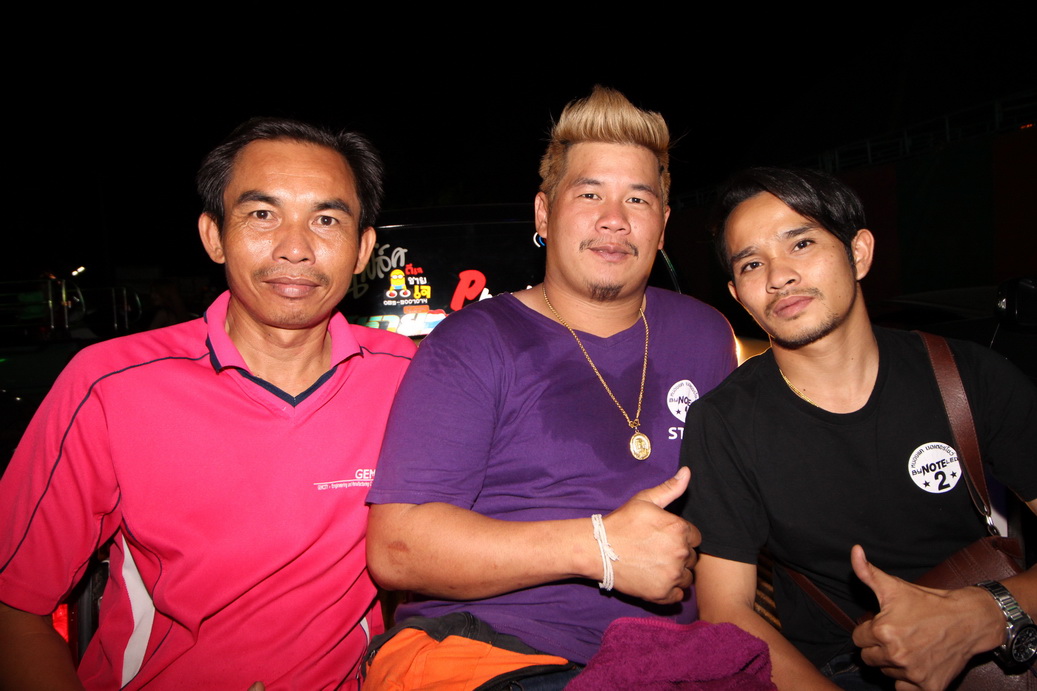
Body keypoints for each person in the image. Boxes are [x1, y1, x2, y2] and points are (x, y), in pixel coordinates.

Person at [0, 117, 416, 690]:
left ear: (363, 248)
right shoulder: (111, 387)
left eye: (326, 220)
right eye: (262, 215)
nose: (295, 249)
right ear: (213, 235)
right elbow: (14, 606)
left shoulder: (410, 380)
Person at [363, 86, 737, 688]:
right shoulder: (472, 342)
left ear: (663, 225)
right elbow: (397, 548)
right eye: (589, 193)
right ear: (543, 214)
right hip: (492, 649)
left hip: (670, 659)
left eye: (637, 199)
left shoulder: (706, 334)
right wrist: (597, 548)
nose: (614, 218)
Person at [681, 166, 1037, 690]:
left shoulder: (968, 377)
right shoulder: (724, 423)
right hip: (842, 667)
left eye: (801, 243)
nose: (779, 276)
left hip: (1000, 641)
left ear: (859, 253)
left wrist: (984, 613)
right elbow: (726, 611)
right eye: (752, 263)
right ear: (738, 294)